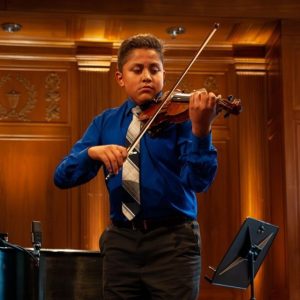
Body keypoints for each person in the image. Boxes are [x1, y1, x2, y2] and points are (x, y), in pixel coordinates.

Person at [54, 33, 218, 300]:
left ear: (164, 75)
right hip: (121, 242)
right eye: (137, 69)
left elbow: (198, 182)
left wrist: (201, 131)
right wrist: (91, 153)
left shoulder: (185, 119)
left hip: (174, 242)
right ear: (121, 77)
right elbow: (61, 177)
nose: (147, 76)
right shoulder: (104, 123)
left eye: (155, 70)